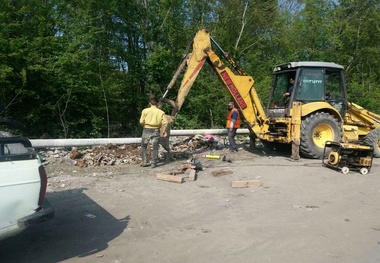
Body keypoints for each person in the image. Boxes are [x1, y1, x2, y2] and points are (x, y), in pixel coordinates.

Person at [139, 98, 168, 168]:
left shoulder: (145, 111)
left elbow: (141, 121)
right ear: (157, 104)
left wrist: (144, 125)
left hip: (146, 129)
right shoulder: (161, 112)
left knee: (143, 146)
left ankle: (144, 162)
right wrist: (164, 130)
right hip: (156, 130)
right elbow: (165, 122)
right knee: (155, 147)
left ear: (150, 103)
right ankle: (154, 163)